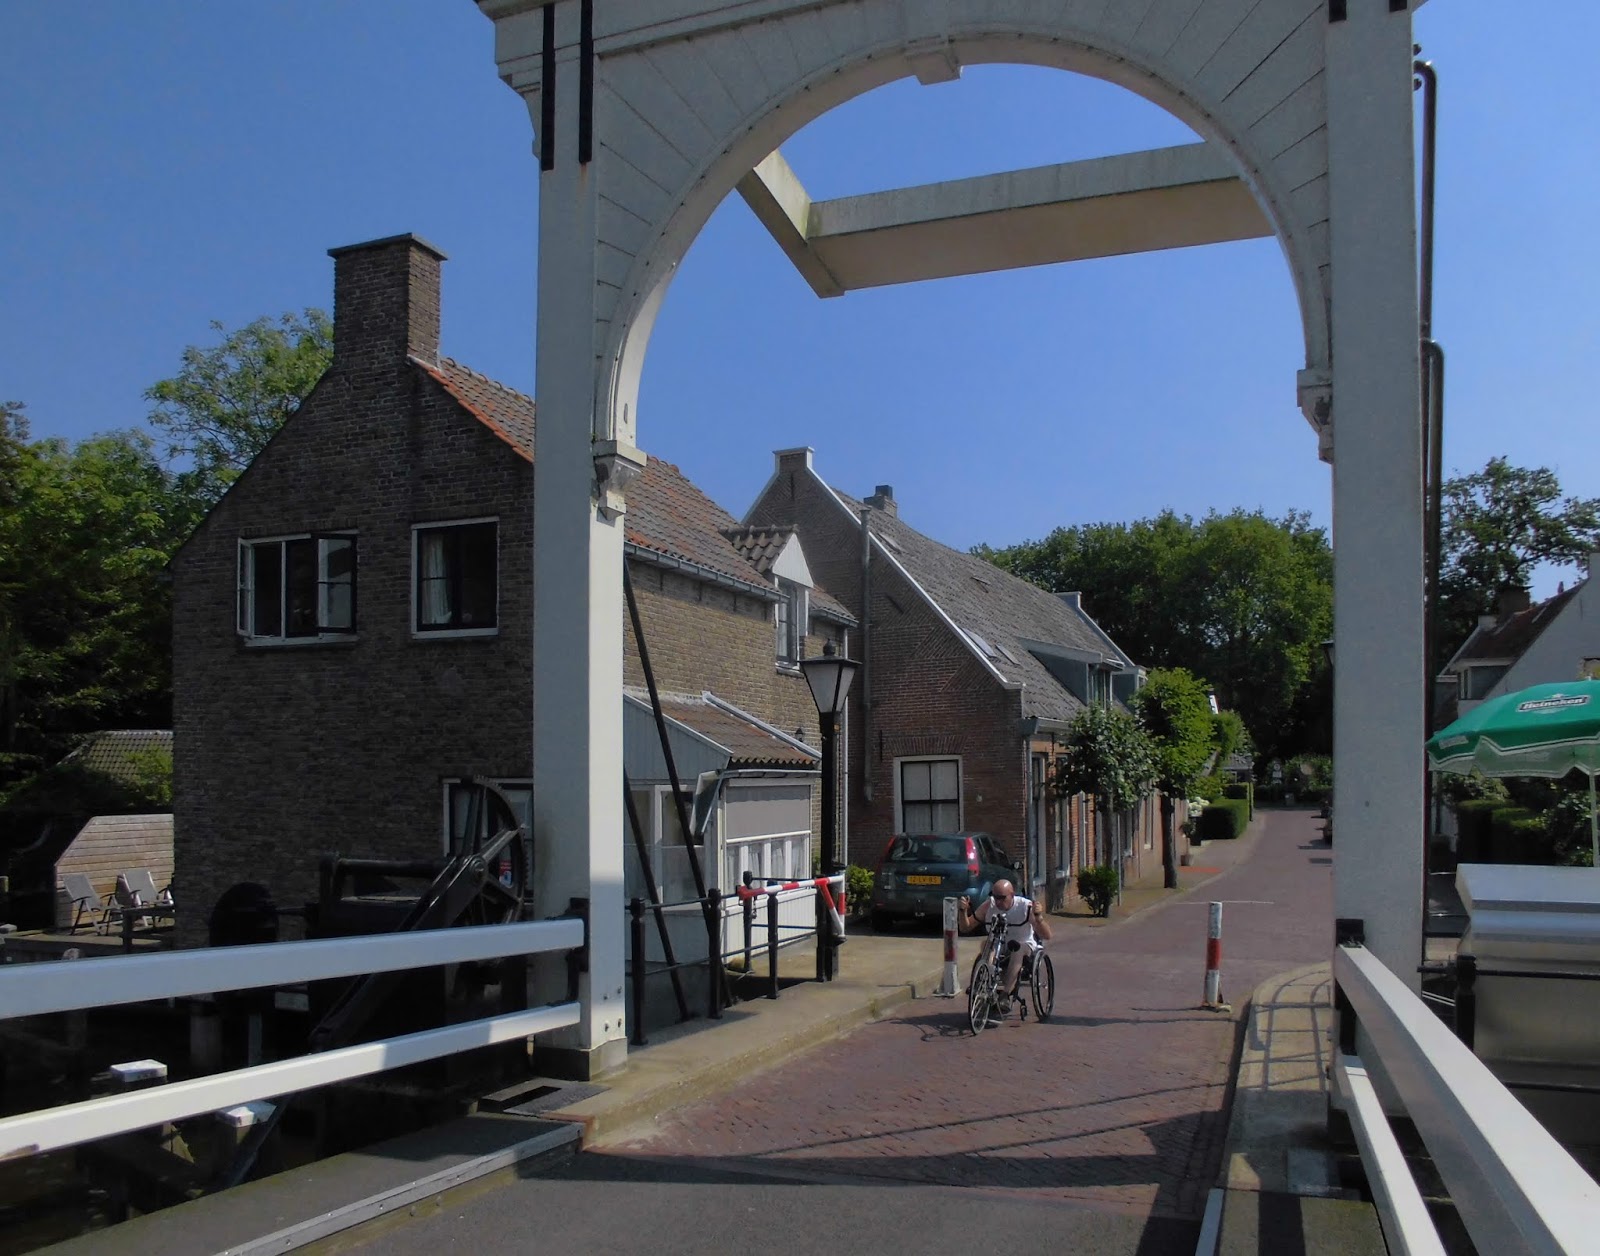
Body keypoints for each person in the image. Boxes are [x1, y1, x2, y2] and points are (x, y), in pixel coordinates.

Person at [959, 879, 1052, 1016]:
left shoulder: (1025, 907)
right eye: (995, 897)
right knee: (986, 944)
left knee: (1017, 950)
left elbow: (1047, 935)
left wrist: (1038, 917)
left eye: (1002, 898)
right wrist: (962, 911)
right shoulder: (989, 905)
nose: (998, 902)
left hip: (1023, 944)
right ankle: (984, 983)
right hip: (998, 945)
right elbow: (965, 928)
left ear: (1012, 894)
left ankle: (1005, 996)